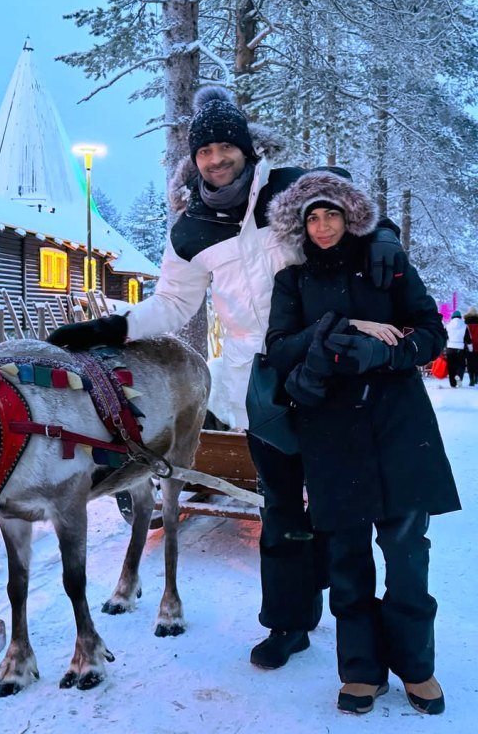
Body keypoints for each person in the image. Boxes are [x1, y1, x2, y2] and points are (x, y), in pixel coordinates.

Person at [47, 86, 406, 670]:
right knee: (281, 511)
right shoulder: (190, 231)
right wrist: (113, 328)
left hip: (331, 371)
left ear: (245, 147)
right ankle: (288, 624)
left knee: (339, 508)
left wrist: (384, 233)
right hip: (258, 385)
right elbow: (173, 304)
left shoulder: (296, 189)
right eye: (204, 151)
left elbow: (353, 209)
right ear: (194, 161)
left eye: (224, 147)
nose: (215, 159)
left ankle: (355, 633)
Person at [265, 170, 461, 715]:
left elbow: (430, 333)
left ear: (350, 216)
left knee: (406, 554)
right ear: (300, 225)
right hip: (330, 431)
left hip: (399, 427)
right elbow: (279, 348)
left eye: (332, 214)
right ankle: (360, 671)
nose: (324, 226)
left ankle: (416, 666)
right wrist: (342, 327)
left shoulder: (388, 264)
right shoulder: (293, 281)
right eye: (313, 217)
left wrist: (389, 353)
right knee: (347, 559)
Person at [444, 310, 468, 387]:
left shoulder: (448, 326)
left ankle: (452, 384)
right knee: (461, 365)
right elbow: (467, 339)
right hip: (460, 348)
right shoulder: (464, 326)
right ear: (460, 317)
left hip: (450, 348)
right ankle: (459, 376)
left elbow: (445, 337)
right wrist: (470, 348)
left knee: (451, 366)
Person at [464, 306, 478, 386]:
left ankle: (471, 379)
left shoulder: (465, 323)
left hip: (469, 345)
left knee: (470, 362)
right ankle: (476, 377)